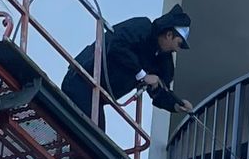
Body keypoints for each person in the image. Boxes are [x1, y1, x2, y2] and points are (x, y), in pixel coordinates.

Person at [63, 7, 192, 121]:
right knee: (91, 137)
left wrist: (176, 104)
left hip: (98, 97)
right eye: (179, 44)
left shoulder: (163, 61)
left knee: (95, 140)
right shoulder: (143, 28)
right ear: (169, 35)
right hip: (81, 79)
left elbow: (160, 90)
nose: (177, 49)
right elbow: (116, 45)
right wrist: (142, 74)